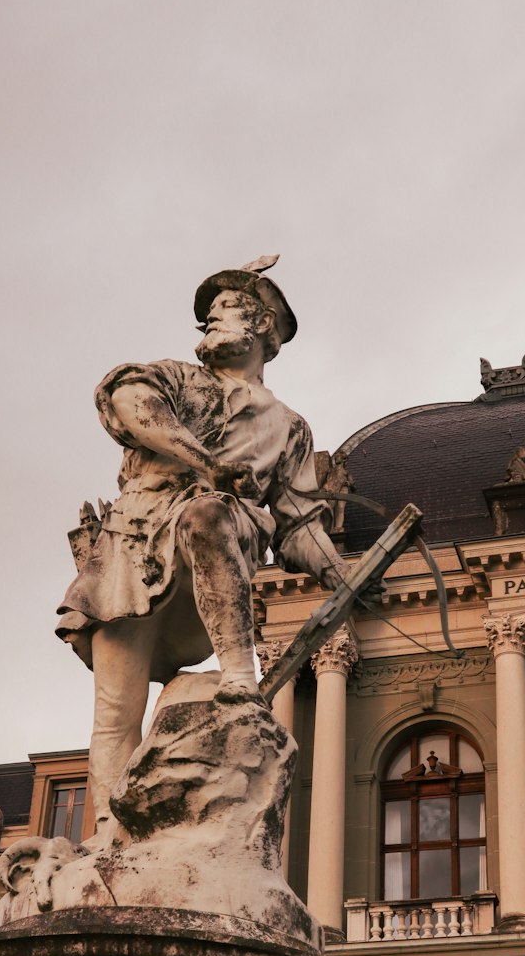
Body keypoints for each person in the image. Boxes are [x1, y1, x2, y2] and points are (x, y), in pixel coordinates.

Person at [56, 257, 349, 847]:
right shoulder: (178, 380)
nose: (208, 322)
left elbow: (299, 527)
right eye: (206, 318)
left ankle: (240, 672)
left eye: (225, 311)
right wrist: (207, 461)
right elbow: (128, 402)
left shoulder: (290, 429)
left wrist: (341, 570)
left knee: (207, 511)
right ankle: (113, 835)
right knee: (115, 712)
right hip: (132, 545)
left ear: (264, 326)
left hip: (217, 539)